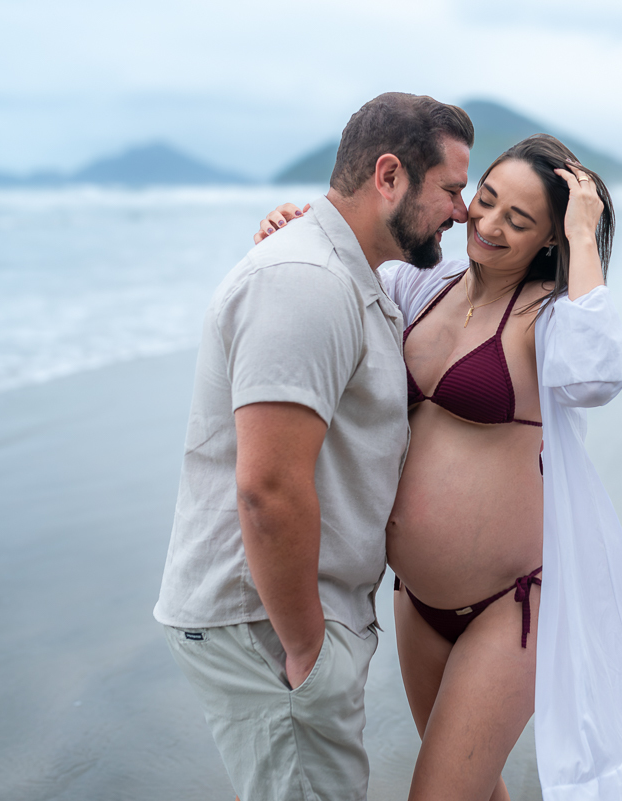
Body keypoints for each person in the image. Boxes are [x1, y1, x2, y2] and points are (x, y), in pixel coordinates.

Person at [256, 134, 622, 800]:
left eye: (519, 220)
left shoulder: (548, 316)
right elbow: (335, 285)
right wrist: (293, 233)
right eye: (487, 199)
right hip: (416, 600)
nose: (490, 223)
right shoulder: (421, 285)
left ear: (549, 238)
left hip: (511, 607)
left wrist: (584, 234)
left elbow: (598, 374)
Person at [153, 92, 474, 801]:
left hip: (294, 616)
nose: (462, 210)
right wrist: (307, 648)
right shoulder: (306, 281)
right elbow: (268, 487)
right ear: (389, 175)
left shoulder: (347, 274)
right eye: (451, 189)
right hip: (270, 624)